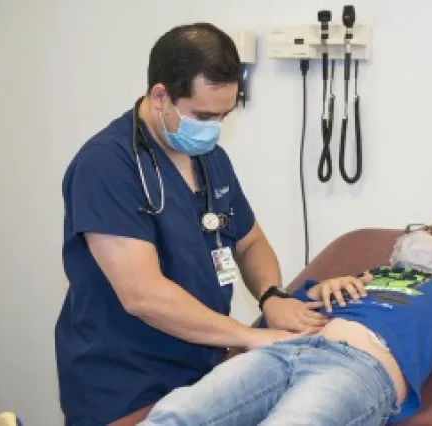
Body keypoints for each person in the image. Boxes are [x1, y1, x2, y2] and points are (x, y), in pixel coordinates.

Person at [55, 23, 327, 426]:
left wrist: (271, 295)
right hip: (126, 381)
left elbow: (250, 243)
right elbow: (142, 295)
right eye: (203, 115)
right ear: (161, 95)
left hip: (205, 368)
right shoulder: (106, 165)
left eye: (224, 115)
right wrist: (249, 335)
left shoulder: (211, 159)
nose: (214, 127)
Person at [139, 222, 432, 425]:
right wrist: (318, 291)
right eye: (423, 231)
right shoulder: (368, 276)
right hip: (288, 348)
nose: (424, 236)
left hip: (360, 367)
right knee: (178, 412)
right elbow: (282, 312)